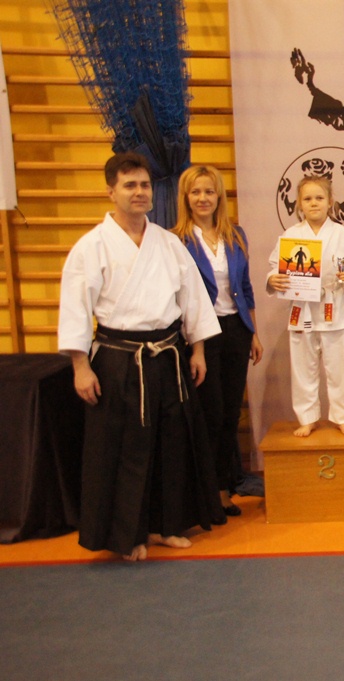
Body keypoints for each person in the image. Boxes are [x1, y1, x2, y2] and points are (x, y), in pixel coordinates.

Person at [58, 152, 225, 561]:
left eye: (145, 185)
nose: (139, 192)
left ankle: (166, 526)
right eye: (129, 185)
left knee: (172, 442)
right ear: (111, 191)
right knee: (124, 447)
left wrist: (198, 349)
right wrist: (80, 367)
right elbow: (75, 309)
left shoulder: (167, 243)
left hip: (168, 354)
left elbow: (192, 298)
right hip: (118, 358)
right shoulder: (91, 247)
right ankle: (128, 534)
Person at [171, 165, 264, 517]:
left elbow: (246, 288)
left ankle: (225, 488)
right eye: (196, 192)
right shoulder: (177, 240)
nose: (203, 198)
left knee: (229, 414)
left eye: (209, 191)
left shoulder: (235, 235)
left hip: (236, 330)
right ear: (186, 198)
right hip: (202, 335)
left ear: (219, 196)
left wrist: (253, 332)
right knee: (208, 413)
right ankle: (206, 493)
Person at [267, 175, 344, 437]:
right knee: (303, 367)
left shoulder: (342, 234)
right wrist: (273, 278)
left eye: (319, 198)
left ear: (330, 201)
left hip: (334, 307)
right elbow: (276, 267)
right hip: (302, 309)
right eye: (308, 199)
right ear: (299, 204)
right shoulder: (291, 235)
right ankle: (307, 417)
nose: (314, 203)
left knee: (341, 367)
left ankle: (343, 416)